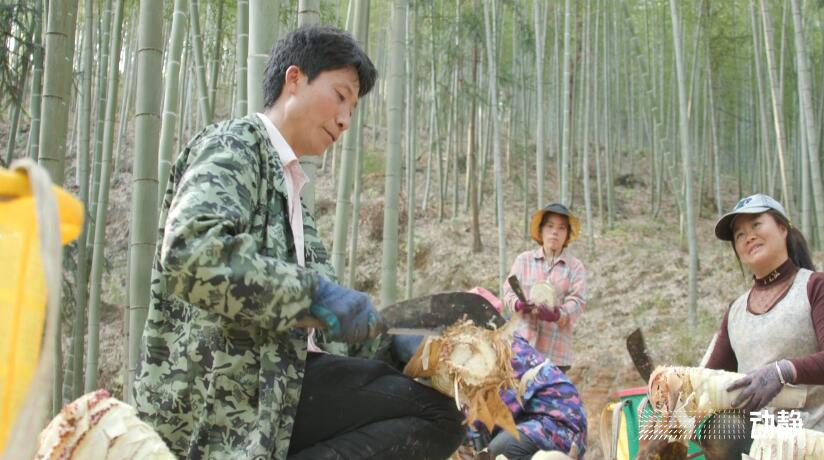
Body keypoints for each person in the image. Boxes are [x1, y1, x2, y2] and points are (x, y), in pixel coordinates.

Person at [133, 26, 464, 460]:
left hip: (280, 385)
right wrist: (313, 295)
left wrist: (393, 346)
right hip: (224, 396)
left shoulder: (292, 193)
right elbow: (191, 252)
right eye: (340, 96)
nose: (345, 119)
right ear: (294, 79)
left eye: (353, 108)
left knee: (441, 414)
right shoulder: (234, 145)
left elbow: (330, 322)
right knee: (435, 417)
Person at [392, 287, 587, 460]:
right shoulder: (466, 367)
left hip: (558, 423)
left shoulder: (503, 351)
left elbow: (490, 411)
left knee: (501, 451)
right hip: (527, 422)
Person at [705, 193, 824, 431]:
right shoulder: (736, 311)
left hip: (814, 438)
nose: (748, 236)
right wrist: (672, 390)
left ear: (782, 228)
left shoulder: (814, 286)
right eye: (739, 235)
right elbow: (710, 379)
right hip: (755, 442)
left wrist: (784, 371)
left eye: (756, 224)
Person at [501, 203, 586, 371]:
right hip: (522, 350)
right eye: (550, 226)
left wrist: (557, 314)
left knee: (552, 389)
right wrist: (518, 304)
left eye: (561, 228)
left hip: (556, 355)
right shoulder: (524, 260)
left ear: (567, 234)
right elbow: (509, 292)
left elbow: (577, 302)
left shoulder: (575, 267)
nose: (555, 232)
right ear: (541, 230)